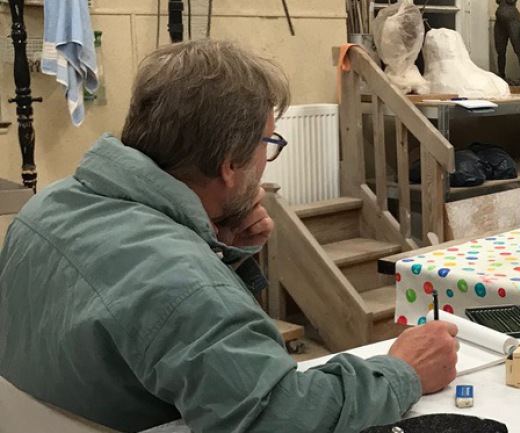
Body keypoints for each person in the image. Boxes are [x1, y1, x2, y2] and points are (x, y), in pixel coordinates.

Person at [0, 39, 458, 433]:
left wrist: (216, 252)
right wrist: (402, 371)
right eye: (268, 144)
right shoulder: (183, 282)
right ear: (228, 164)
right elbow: (281, 417)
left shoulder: (46, 207)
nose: (266, 161)